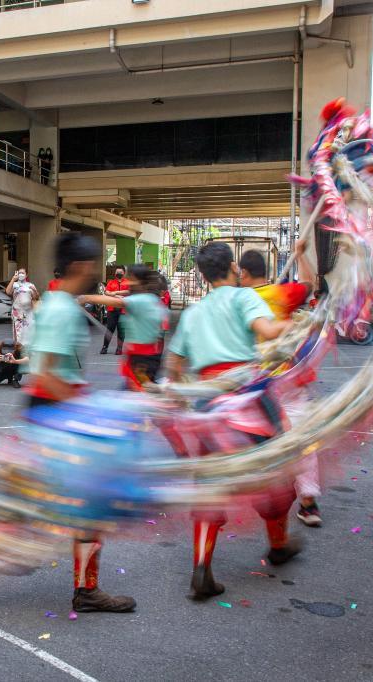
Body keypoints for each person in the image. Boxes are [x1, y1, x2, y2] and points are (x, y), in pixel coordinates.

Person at [165, 242, 297, 600]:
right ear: (234, 267)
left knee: (210, 486)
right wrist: (295, 323)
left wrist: (181, 393)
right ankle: (279, 545)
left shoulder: (193, 313)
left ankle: (202, 566)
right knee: (276, 471)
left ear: (203, 274)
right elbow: (267, 331)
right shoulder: (243, 297)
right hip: (247, 398)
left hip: (209, 405)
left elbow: (174, 363)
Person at [27, 232, 136, 613]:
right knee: (81, 506)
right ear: (79, 266)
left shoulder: (60, 303)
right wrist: (88, 413)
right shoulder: (59, 309)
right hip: (55, 415)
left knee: (67, 507)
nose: (96, 271)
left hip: (54, 413)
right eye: (93, 264)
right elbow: (45, 374)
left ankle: (86, 589)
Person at [238, 241, 323, 526]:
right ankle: (308, 501)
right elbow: (309, 284)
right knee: (300, 438)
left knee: (254, 437)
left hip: (256, 382)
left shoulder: (241, 300)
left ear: (244, 273)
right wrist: (301, 255)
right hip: (288, 378)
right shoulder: (282, 293)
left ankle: (265, 494)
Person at [80, 265, 166, 390]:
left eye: (130, 279)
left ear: (137, 281)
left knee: (140, 394)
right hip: (144, 357)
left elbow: (119, 302)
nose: (127, 283)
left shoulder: (141, 300)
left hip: (142, 360)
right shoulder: (151, 299)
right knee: (136, 392)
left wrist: (86, 298)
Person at [100, 266, 130, 354]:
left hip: (123, 310)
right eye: (117, 272)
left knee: (121, 330)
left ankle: (119, 349)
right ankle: (105, 347)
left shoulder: (127, 283)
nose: (118, 274)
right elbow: (106, 292)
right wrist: (118, 296)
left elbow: (129, 292)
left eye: (120, 272)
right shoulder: (111, 282)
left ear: (124, 273)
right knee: (110, 329)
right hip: (112, 309)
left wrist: (115, 293)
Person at [5, 267, 39, 345]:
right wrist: (13, 279)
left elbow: (36, 297)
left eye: (23, 273)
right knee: (19, 332)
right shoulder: (15, 284)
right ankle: (19, 347)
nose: (21, 274)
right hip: (18, 312)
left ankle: (28, 348)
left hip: (28, 312)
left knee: (29, 330)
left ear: (26, 275)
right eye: (19, 273)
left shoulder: (30, 285)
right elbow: (8, 292)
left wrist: (34, 290)